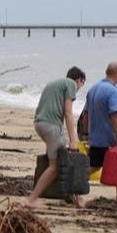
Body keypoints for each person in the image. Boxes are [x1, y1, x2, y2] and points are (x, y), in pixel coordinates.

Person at [26, 66, 87, 206]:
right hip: (51, 126)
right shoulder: (71, 84)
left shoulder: (55, 83)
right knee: (56, 166)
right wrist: (73, 140)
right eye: (82, 84)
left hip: (39, 123)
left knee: (61, 159)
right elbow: (68, 112)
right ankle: (31, 200)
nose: (79, 88)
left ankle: (74, 198)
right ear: (79, 80)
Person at [85, 61, 117, 203]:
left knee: (93, 165)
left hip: (95, 136)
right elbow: (115, 115)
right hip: (108, 138)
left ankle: (73, 187)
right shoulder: (113, 91)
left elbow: (85, 114)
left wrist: (86, 134)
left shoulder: (93, 89)